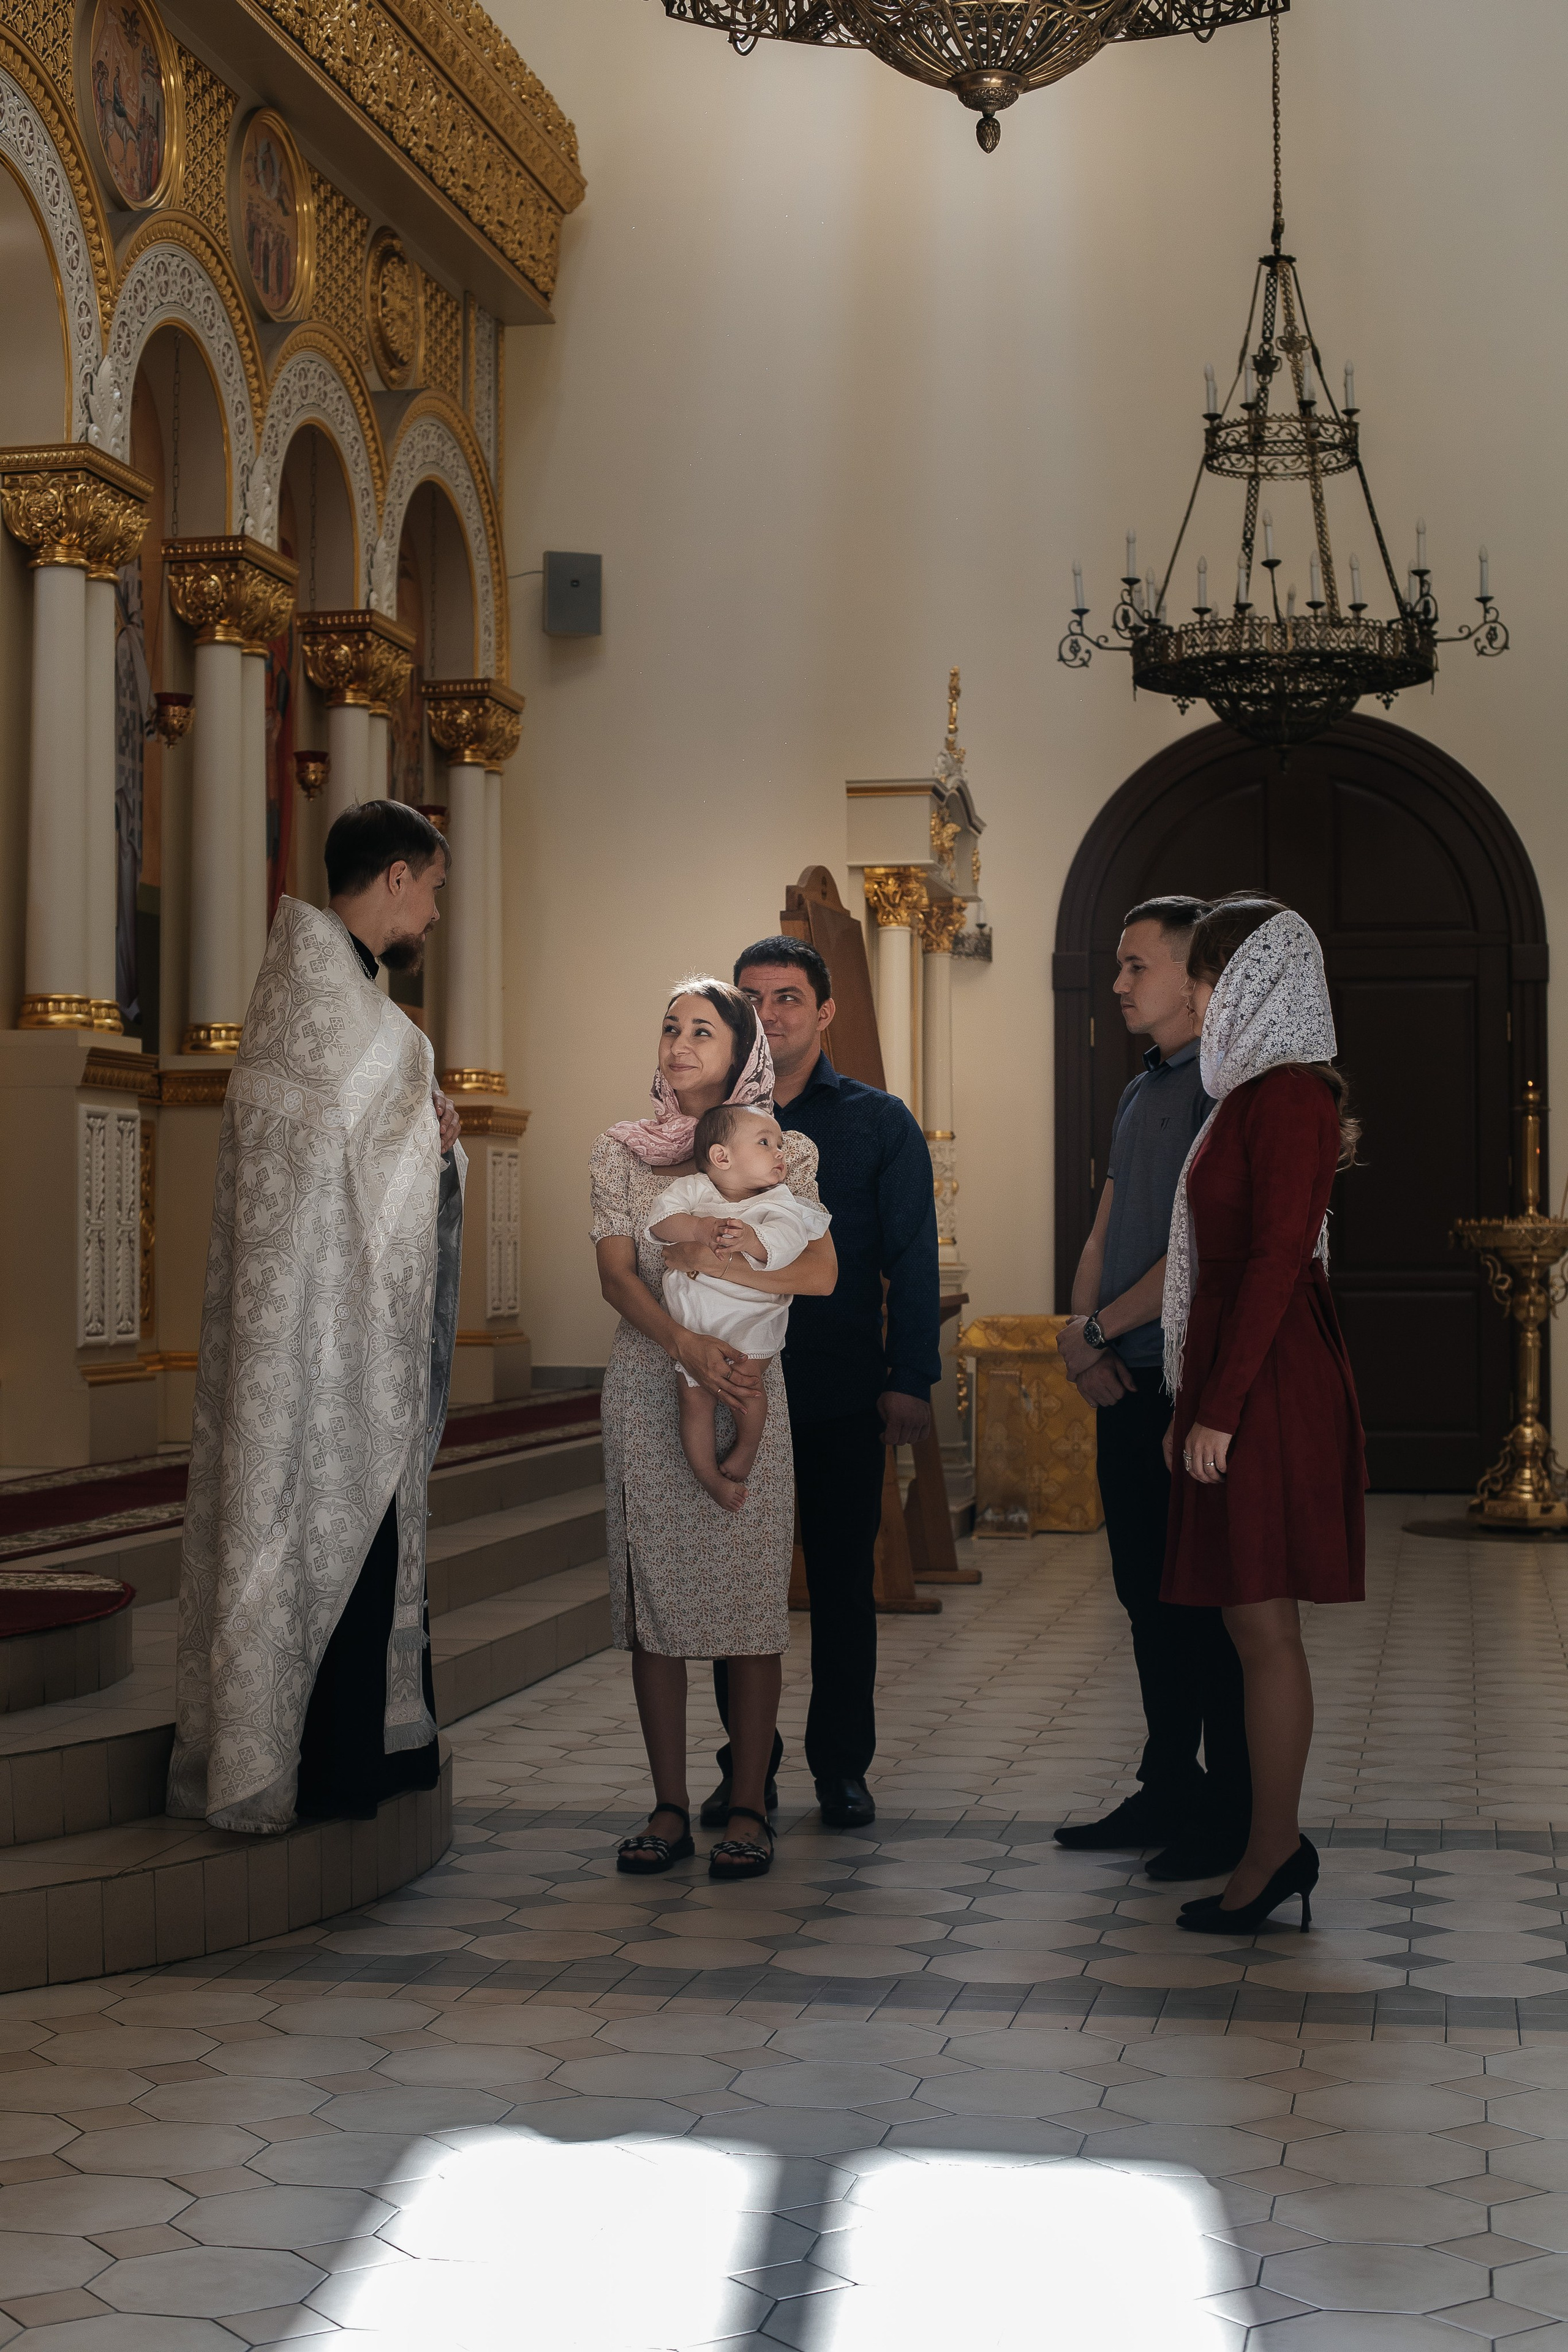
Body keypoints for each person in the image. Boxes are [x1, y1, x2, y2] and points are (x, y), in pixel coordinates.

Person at [168, 801, 464, 1833]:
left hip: (290, 1341)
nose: (434, 909)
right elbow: (395, 1192)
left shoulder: (299, 997)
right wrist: (441, 1153)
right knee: (351, 1533)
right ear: (392, 879)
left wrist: (429, 1148)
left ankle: (296, 1748)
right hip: (342, 1356)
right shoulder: (374, 1029)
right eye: (431, 885)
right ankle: (341, 1770)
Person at [592, 979, 837, 1881]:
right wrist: (684, 1337)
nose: (682, 1042)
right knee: (654, 1607)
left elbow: (819, 1274)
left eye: (704, 1030)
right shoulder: (622, 1153)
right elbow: (619, 1278)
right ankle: (665, 1801)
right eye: (670, 1027)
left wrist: (715, 1282)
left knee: (749, 1603)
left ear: (742, 1055)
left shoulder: (781, 1147)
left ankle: (745, 1802)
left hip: (747, 1380)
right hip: (651, 1381)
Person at [702, 937, 941, 1833]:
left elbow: (913, 1257)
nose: (770, 1014)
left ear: (825, 1011)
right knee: (737, 1595)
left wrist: (911, 1376)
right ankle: (746, 1773)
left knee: (842, 1587)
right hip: (735, 1386)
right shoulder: (709, 1124)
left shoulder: (879, 1123)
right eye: (753, 998)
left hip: (841, 1388)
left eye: (789, 998)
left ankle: (842, 1767)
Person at [1163, 898, 1366, 1934]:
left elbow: (1278, 1263)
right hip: (1248, 1376)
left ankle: (1275, 1847)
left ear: (1250, 983)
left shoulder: (1287, 1097)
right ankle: (1269, 1843)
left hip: (1274, 1381)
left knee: (1263, 1626)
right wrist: (1191, 1401)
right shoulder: (1246, 1095)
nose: (1196, 996)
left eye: (1205, 977)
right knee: (1250, 1624)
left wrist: (1223, 1408)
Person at [1055, 896, 1252, 1880]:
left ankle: (1231, 1811)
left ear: (1194, 976)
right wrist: (1082, 1339)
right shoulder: (1143, 1092)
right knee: (1143, 1596)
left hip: (1184, 1382)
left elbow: (1195, 1252)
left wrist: (1098, 1330)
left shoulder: (1225, 1091)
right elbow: (1108, 1225)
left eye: (1138, 967)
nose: (1122, 984)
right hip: (1125, 1379)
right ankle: (1170, 1780)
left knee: (1201, 1604)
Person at [648, 1103, 832, 1509]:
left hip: (754, 1314)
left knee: (748, 1385)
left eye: (780, 1144)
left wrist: (752, 1240)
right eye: (766, 1143)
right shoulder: (696, 1190)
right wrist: (698, 1227)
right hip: (695, 1319)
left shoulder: (779, 1201)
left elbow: (788, 1245)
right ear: (722, 1157)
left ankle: (745, 1450)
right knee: (694, 1398)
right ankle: (708, 1476)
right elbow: (661, 1221)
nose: (779, 1152)